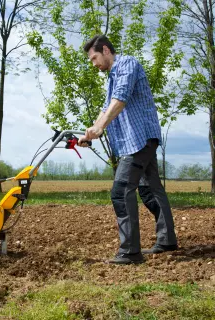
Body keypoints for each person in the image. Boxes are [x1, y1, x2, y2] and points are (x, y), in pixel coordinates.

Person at [78, 35, 178, 265]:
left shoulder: (126, 64)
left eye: (94, 58)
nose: (94, 64)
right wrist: (90, 132)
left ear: (105, 50)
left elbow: (120, 100)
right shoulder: (112, 77)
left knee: (121, 190)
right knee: (150, 190)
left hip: (139, 138)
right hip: (137, 140)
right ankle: (167, 240)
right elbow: (107, 108)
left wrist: (100, 127)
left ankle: (131, 252)